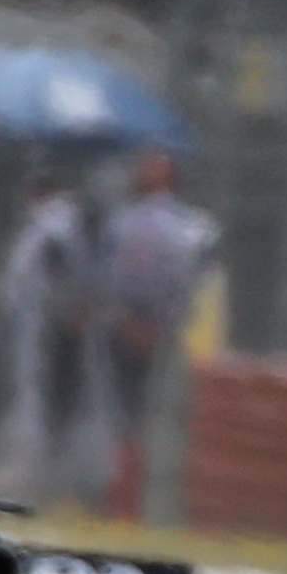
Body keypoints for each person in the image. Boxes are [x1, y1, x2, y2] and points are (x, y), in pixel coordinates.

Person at [93, 151, 221, 521]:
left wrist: (152, 322)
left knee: (144, 416)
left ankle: (140, 500)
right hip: (139, 329)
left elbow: (195, 283)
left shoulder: (189, 227)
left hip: (156, 332)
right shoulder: (127, 221)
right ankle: (121, 498)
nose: (140, 171)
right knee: (127, 416)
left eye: (151, 167)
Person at [0, 166, 95, 504]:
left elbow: (63, 270)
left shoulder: (56, 225)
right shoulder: (52, 223)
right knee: (37, 396)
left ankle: (35, 471)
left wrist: (66, 307)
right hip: (38, 322)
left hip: (46, 325)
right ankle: (34, 468)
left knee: (38, 397)